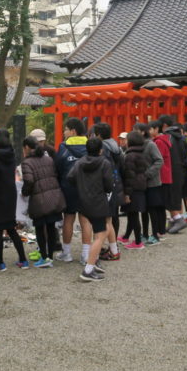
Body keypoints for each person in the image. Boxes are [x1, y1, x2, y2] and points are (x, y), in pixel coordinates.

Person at [68, 137, 114, 282]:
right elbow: (109, 185)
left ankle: (92, 262)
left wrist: (82, 186)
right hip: (99, 202)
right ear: (101, 150)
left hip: (84, 202)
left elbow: (70, 177)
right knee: (100, 235)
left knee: (99, 231)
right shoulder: (104, 163)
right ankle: (88, 269)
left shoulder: (79, 162)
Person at [0, 129, 29, 271]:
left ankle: (0, 262)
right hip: (9, 196)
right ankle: (23, 260)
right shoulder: (11, 155)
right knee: (11, 228)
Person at [21, 134, 65, 267]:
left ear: (27, 147)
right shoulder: (48, 159)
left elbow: (29, 180)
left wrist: (24, 192)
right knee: (51, 228)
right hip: (53, 197)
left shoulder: (27, 162)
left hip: (39, 200)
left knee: (40, 229)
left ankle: (44, 258)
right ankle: (50, 257)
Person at [55, 118, 89, 263]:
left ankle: (66, 253)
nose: (64, 132)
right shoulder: (90, 145)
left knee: (68, 219)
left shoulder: (63, 147)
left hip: (68, 188)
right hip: (87, 188)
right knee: (86, 221)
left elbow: (58, 168)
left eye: (66, 129)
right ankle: (86, 255)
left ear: (73, 131)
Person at [92, 121, 124, 262]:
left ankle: (103, 249)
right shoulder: (115, 145)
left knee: (105, 220)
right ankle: (114, 248)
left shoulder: (103, 147)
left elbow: (103, 168)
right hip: (116, 182)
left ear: (98, 135)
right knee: (111, 218)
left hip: (106, 186)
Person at [135, 121, 165, 246]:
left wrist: (147, 174)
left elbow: (159, 160)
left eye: (136, 130)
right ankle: (145, 234)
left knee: (152, 209)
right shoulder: (138, 145)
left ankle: (155, 235)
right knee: (143, 210)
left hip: (152, 183)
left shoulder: (151, 145)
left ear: (142, 132)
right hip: (142, 183)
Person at [158, 115, 187, 233]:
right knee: (175, 195)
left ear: (164, 126)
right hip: (180, 168)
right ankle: (173, 220)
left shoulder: (167, 137)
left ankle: (178, 219)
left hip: (170, 169)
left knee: (170, 195)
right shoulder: (180, 136)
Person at [119, 130, 149, 250]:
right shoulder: (141, 153)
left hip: (133, 188)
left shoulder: (130, 156)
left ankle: (137, 242)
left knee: (133, 215)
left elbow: (129, 176)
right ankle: (128, 237)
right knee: (133, 214)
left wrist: (127, 193)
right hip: (140, 185)